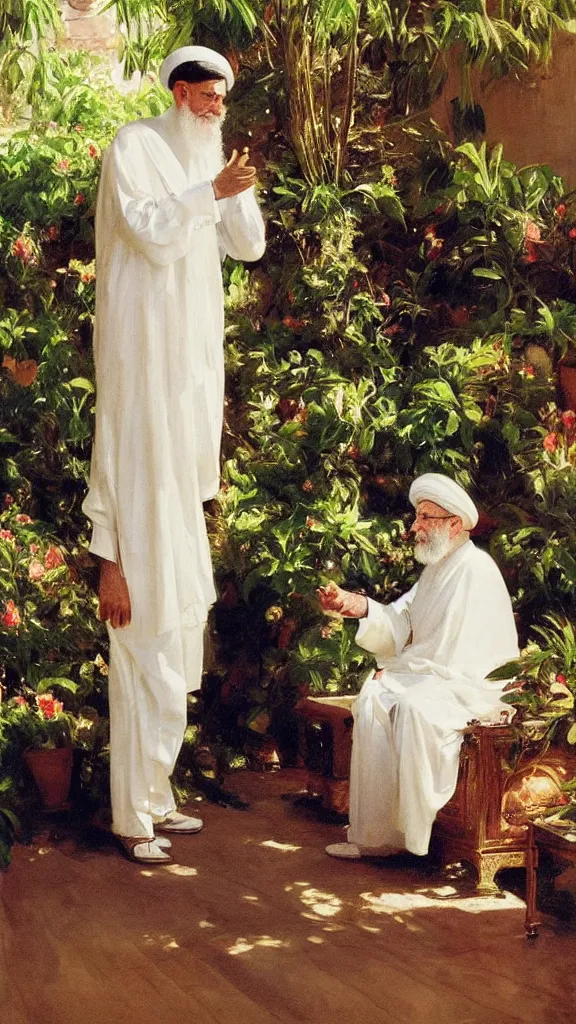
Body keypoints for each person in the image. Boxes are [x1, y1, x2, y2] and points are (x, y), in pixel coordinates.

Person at [83, 46, 266, 864]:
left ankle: (158, 795)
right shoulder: (137, 146)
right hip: (143, 373)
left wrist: (231, 193)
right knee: (143, 633)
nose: (217, 106)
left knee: (181, 626)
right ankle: (131, 815)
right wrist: (105, 554)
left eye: (225, 96)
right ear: (181, 91)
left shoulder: (210, 168)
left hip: (188, 393)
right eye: (207, 94)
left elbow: (250, 248)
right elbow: (153, 233)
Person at [317, 473, 519, 860]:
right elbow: (402, 621)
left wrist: (400, 671)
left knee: (411, 706)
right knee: (375, 696)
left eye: (426, 518)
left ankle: (414, 837)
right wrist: (355, 605)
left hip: (471, 688)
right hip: (436, 677)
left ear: (454, 524)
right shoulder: (438, 569)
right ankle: (376, 837)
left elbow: (461, 657)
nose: (415, 527)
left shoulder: (475, 569)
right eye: (418, 517)